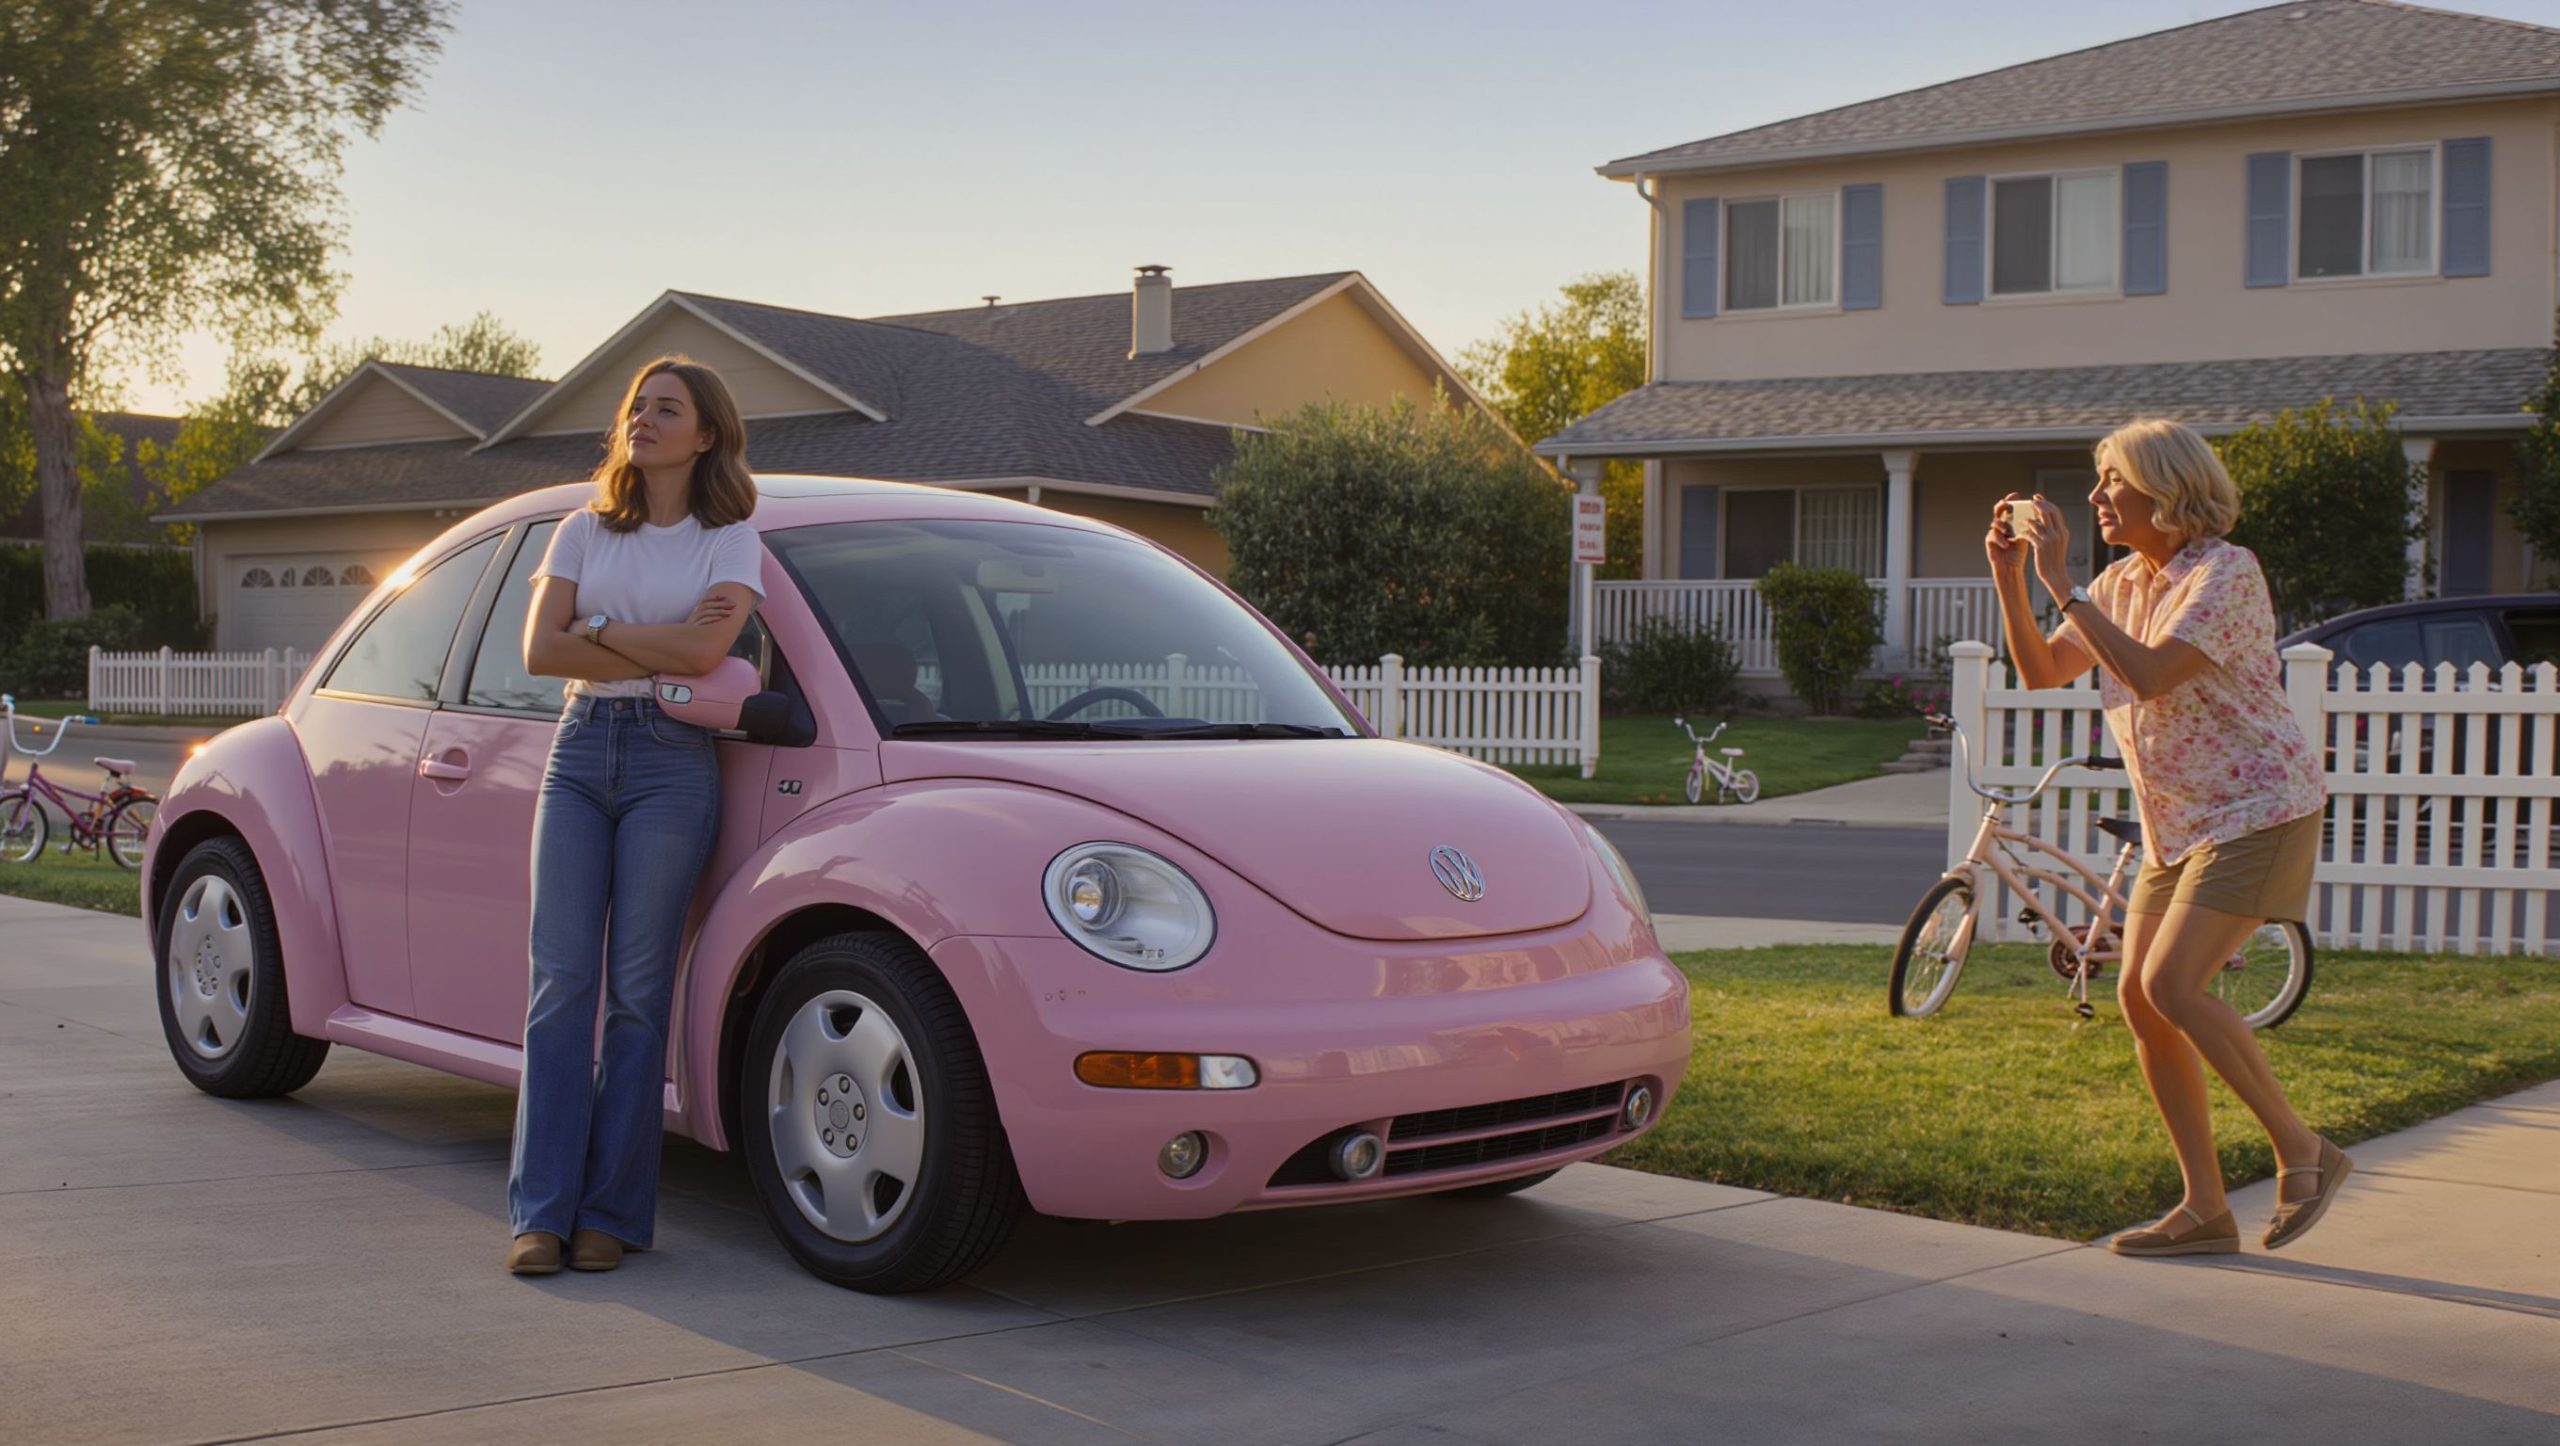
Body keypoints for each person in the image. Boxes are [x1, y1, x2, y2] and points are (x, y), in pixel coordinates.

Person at [1992, 418, 2348, 1257]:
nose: (2095, 496)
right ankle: (2205, 1210)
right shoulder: (2119, 584)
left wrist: (2060, 579)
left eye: (2112, 479)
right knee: (2140, 1000)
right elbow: (2044, 671)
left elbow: (2149, 676)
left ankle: (2305, 1151)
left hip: (2260, 807)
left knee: (2176, 984)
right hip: (2177, 823)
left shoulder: (2226, 574)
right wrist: (2014, 579)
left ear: (2167, 488)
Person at [506, 355, 762, 1275]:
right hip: (579, 751)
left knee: (638, 1000)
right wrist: (650, 648)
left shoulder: (730, 540)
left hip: (671, 763)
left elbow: (706, 652)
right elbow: (542, 650)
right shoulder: (582, 530)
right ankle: (540, 1212)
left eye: (668, 409)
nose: (644, 421)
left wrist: (602, 633)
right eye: (636, 408)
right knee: (561, 986)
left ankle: (610, 1214)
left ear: (706, 433)